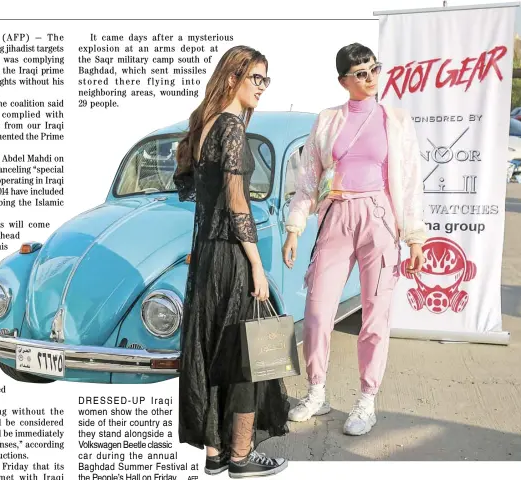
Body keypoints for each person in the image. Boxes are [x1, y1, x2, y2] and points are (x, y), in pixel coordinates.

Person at [282, 43, 428, 436]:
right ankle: (316, 391)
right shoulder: (328, 120)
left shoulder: (395, 120)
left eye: (374, 69)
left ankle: (367, 399)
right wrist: (295, 227)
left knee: (375, 315)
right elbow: (309, 179)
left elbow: (411, 181)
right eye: (360, 72)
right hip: (335, 217)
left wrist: (414, 237)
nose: (370, 78)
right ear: (343, 80)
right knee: (315, 313)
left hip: (379, 217)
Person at [173, 45, 289, 477]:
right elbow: (238, 202)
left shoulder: (201, 125)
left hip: (205, 256)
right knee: (246, 355)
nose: (262, 87)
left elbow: (195, 191)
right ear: (232, 77)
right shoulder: (232, 128)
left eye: (266, 80)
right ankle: (240, 456)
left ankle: (215, 454)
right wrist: (257, 264)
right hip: (230, 253)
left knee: (211, 351)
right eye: (255, 78)